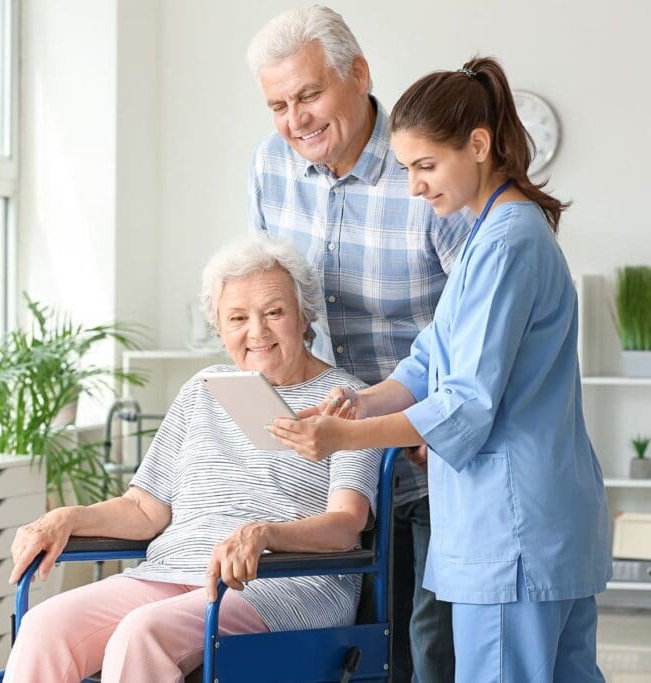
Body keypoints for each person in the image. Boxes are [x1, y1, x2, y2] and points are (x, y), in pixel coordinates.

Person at [269, 57, 612, 682]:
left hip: (512, 531)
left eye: (426, 167)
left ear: (478, 146)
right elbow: (428, 362)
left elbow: (465, 403)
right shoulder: (492, 235)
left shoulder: (507, 242)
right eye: (405, 170)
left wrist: (343, 440)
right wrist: (357, 404)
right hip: (540, 526)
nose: (417, 188)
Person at [0, 237, 382, 682]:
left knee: (142, 632)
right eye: (237, 318)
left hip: (284, 582)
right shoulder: (204, 388)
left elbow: (345, 525)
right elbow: (145, 510)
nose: (256, 331)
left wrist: (265, 535)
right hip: (173, 571)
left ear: (304, 315)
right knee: (46, 626)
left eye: (274, 312)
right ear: (219, 328)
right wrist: (66, 517)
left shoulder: (346, 400)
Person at [245, 6, 469, 680]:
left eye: (309, 94)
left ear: (359, 74)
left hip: (426, 451)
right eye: (279, 104)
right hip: (329, 468)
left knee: (429, 652)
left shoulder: (423, 169)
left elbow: (477, 313)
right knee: (349, 650)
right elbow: (266, 297)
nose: (296, 120)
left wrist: (430, 413)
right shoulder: (270, 166)